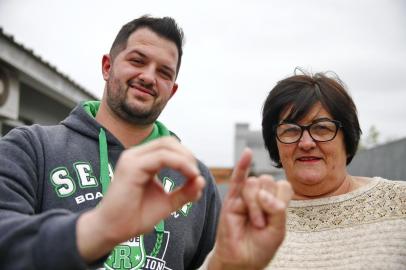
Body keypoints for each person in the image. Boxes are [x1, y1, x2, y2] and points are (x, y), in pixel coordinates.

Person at [0, 15, 292, 270]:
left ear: (172, 90)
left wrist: (226, 266)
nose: (148, 77)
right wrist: (96, 230)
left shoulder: (196, 179)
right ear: (107, 66)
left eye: (164, 72)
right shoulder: (32, 148)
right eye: (137, 61)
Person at [261, 70, 406, 269]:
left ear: (347, 138)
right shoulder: (254, 218)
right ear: (274, 143)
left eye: (321, 128)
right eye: (291, 130)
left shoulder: (399, 204)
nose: (306, 143)